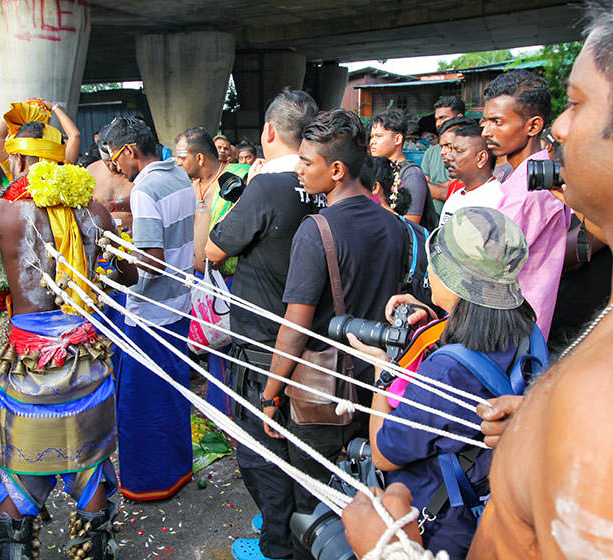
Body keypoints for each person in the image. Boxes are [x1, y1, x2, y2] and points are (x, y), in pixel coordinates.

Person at [344, 4, 613, 557]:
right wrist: (536, 410)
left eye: (578, 103)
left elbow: (391, 452)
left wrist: (388, 549)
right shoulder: (538, 342)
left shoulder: (592, 394)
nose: (561, 126)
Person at [0, 115, 137, 559]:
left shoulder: (2, 211)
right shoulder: (94, 210)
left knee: (21, 469)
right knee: (88, 463)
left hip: (28, 366)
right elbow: (128, 274)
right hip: (85, 361)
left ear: (15, 158)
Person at [260, 109, 405, 558]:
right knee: (367, 494)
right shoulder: (396, 225)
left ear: (336, 170)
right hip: (377, 388)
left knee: (316, 509)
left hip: (322, 396)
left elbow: (294, 326)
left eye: (306, 162)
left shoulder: (315, 229)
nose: (299, 170)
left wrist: (270, 393)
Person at [351, 207, 537, 558]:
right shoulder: (526, 327)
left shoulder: (447, 372)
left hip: (440, 523)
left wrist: (381, 373)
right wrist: (436, 316)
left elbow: (383, 455)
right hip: (492, 501)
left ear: (452, 278)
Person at [206, 88, 321, 560]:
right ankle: (297, 526)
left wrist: (216, 195)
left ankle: (279, 542)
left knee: (262, 450)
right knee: (304, 445)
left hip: (263, 343)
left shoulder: (266, 186)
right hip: (315, 340)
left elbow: (213, 250)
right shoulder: (323, 182)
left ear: (269, 131)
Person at [103, 116, 196, 502]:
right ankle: (178, 470)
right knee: (173, 394)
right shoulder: (178, 175)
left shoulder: (144, 188)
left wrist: (118, 263)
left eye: (113, 158)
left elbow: (153, 264)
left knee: (143, 403)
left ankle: (151, 482)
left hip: (151, 313)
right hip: (179, 305)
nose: (113, 166)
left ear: (129, 151)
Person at [481, 69, 570, 339]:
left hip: (509, 332)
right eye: (485, 121)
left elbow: (488, 266)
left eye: (497, 122)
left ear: (533, 126)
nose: (486, 131)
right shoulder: (535, 176)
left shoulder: (529, 190)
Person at [175, 126, 248, 415]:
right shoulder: (186, 185)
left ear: (201, 157)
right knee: (209, 348)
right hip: (195, 280)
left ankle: (232, 417)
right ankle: (219, 412)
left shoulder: (239, 178)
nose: (179, 163)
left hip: (228, 279)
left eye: (182, 157)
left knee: (228, 347)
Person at [370, 108, 436, 228]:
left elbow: (411, 226)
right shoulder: (377, 168)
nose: (372, 142)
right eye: (372, 137)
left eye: (378, 136)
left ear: (397, 139)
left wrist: (383, 203)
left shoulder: (412, 174)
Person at [438, 124, 502, 226]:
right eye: (452, 150)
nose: (450, 157)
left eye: (458, 151)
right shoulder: (456, 196)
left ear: (481, 158)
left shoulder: (496, 200)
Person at [422, 96, 465, 211]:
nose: (439, 123)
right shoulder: (431, 151)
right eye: (437, 119)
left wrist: (429, 187)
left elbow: (453, 192)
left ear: (459, 118)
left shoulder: (469, 150)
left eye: (443, 118)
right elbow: (422, 184)